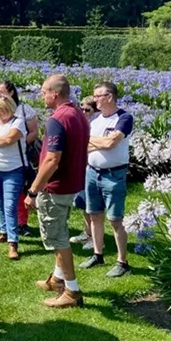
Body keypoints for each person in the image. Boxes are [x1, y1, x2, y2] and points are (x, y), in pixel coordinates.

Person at [25, 74, 88, 308]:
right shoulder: (78, 114)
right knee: (59, 230)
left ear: (54, 94)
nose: (41, 96)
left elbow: (52, 159)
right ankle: (57, 279)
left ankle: (71, 291)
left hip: (55, 188)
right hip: (71, 185)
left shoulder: (57, 119)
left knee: (58, 238)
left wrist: (33, 191)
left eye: (43, 92)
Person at [81, 82, 134, 278]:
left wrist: (94, 142)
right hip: (92, 172)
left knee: (115, 219)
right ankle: (98, 254)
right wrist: (99, 143)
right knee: (94, 214)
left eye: (97, 96)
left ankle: (122, 261)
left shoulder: (124, 118)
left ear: (109, 97)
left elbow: (112, 142)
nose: (94, 100)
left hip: (114, 174)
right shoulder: (95, 121)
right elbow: (84, 145)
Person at [0, 81, 38, 237]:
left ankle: (17, 231)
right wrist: (2, 142)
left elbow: (30, 133)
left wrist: (17, 142)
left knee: (13, 200)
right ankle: (4, 231)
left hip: (18, 159)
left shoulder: (22, 113)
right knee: (0, 201)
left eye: (1, 93)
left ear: (11, 93)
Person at [0, 96, 26, 261]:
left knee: (10, 205)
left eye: (1, 110)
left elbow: (10, 139)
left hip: (13, 169)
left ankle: (13, 242)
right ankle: (3, 231)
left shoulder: (18, 122)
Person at [70, 96, 99, 252]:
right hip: (80, 165)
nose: (83, 111)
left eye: (87, 109)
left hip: (90, 166)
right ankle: (87, 232)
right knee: (82, 201)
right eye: (81, 108)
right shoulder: (81, 123)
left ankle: (93, 238)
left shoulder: (95, 125)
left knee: (90, 203)